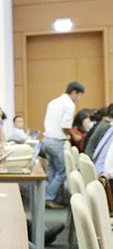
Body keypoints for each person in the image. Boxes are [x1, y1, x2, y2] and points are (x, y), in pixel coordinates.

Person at [42, 81, 84, 209]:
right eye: (80, 95)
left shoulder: (53, 102)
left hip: (47, 140)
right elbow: (65, 126)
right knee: (62, 172)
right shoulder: (69, 104)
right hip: (56, 141)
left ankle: (52, 197)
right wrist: (73, 136)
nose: (79, 99)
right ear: (74, 93)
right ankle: (48, 198)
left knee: (53, 170)